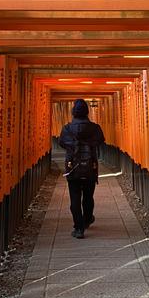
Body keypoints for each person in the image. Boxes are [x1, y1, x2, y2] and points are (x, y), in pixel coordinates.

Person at [58, 98, 105, 239]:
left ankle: (79, 228)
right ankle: (87, 219)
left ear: (73, 112)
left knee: (75, 197)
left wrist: (73, 147)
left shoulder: (67, 129)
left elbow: (62, 143)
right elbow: (100, 141)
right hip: (90, 165)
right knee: (88, 196)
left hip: (73, 166)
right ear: (87, 112)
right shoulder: (95, 128)